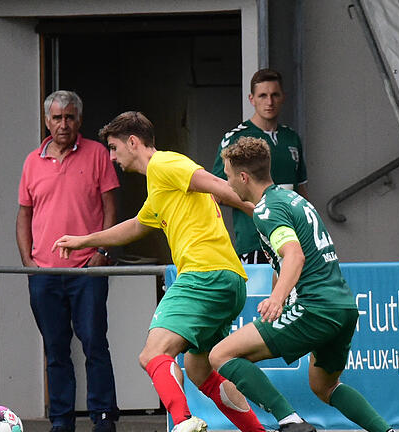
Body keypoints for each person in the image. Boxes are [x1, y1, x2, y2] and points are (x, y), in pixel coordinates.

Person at [52, 111, 266, 432]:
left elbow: (218, 185)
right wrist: (85, 239)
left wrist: (265, 208)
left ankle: (182, 422)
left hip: (202, 276)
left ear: (133, 142)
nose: (112, 157)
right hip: (227, 279)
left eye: (114, 147)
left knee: (153, 353)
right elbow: (136, 226)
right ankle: (258, 431)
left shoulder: (165, 164)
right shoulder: (159, 185)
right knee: (199, 370)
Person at [210, 136, 394, 432]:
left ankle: (290, 422)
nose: (228, 183)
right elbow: (284, 262)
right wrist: (277, 293)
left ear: (244, 177)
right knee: (325, 386)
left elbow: (294, 255)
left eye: (229, 176)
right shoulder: (294, 199)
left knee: (220, 354)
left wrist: (278, 299)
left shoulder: (266, 210)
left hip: (315, 307)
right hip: (342, 306)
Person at [16, 90, 120, 432]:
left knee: (94, 343)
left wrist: (103, 252)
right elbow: (24, 215)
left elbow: (110, 208)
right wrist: (28, 262)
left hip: (87, 271)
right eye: (57, 117)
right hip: (45, 273)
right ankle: (61, 421)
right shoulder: (33, 160)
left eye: (70, 117)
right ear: (47, 121)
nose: (64, 124)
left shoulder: (97, 154)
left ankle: (103, 418)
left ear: (79, 119)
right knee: (56, 349)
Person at [213, 68, 308, 264]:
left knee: (295, 294)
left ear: (283, 97)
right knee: (263, 295)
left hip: (292, 242)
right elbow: (217, 190)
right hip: (255, 242)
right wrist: (254, 208)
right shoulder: (236, 138)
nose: (269, 102)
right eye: (263, 95)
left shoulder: (291, 138)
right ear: (252, 99)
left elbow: (302, 190)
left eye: (275, 95)